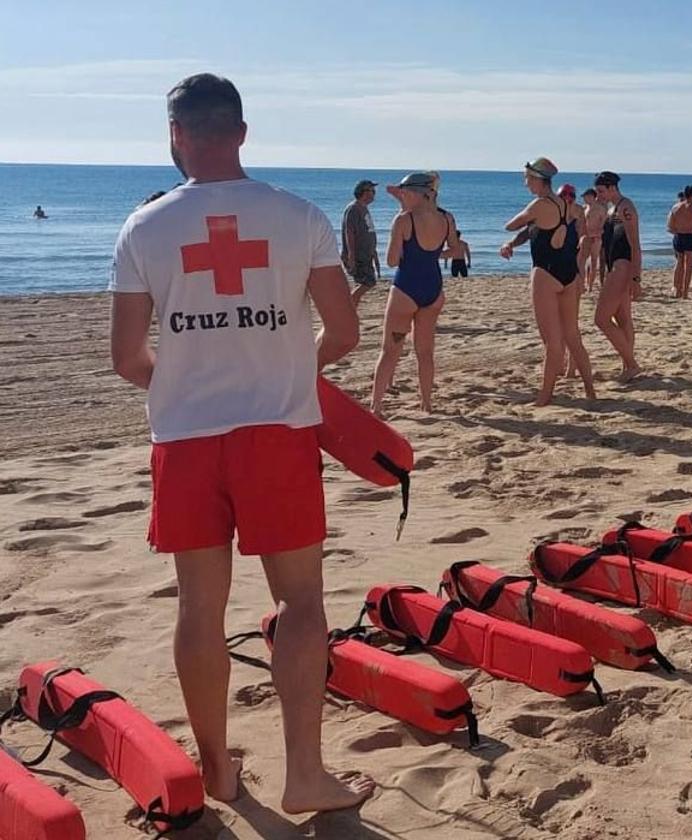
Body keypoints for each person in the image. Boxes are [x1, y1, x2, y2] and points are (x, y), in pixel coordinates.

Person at [108, 73, 370, 815]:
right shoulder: (299, 216)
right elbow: (345, 333)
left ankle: (218, 770)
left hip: (186, 439)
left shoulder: (144, 227)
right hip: (277, 434)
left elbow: (128, 359)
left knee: (199, 611)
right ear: (243, 132)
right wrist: (287, 367)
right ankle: (306, 775)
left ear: (176, 136)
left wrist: (188, 379)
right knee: (301, 602)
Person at [501, 158, 595, 405]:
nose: (525, 184)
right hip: (569, 273)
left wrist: (521, 222)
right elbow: (534, 231)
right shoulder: (567, 205)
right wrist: (512, 244)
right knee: (573, 337)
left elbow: (511, 224)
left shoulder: (539, 204)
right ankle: (590, 390)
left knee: (552, 342)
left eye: (527, 179)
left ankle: (544, 397)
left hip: (546, 274)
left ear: (537, 179)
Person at [371, 171, 458, 414]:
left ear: (417, 194)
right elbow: (457, 250)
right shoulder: (447, 218)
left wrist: (409, 252)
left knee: (390, 350)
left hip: (405, 290)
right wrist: (434, 255)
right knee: (425, 351)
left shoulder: (403, 220)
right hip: (433, 289)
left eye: (405, 192)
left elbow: (390, 261)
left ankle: (376, 405)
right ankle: (427, 403)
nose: (403, 196)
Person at [593, 171, 641, 381]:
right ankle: (628, 367)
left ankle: (631, 364)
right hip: (614, 265)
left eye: (601, 191)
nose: (599, 195)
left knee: (601, 319)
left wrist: (636, 279)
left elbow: (635, 245)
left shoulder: (625, 207)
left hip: (623, 266)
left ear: (612, 187)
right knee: (622, 319)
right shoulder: (611, 208)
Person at [341, 180, 381, 306]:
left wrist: (374, 253)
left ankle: (350, 309)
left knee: (367, 282)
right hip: (358, 255)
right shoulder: (353, 209)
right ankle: (347, 308)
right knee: (367, 282)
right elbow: (349, 233)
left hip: (366, 254)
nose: (374, 194)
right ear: (363, 192)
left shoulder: (364, 209)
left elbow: (368, 232)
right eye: (371, 191)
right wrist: (351, 256)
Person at [667, 185, 692, 299]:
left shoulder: (675, 208)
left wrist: (678, 231)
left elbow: (670, 226)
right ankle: (685, 292)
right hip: (690, 237)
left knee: (679, 263)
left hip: (679, 236)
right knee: (689, 266)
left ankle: (677, 290)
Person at [580, 188, 606, 291]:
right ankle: (583, 283)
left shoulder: (600, 209)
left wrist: (598, 235)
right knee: (583, 261)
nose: (584, 199)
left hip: (596, 237)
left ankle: (590, 285)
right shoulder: (584, 208)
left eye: (586, 197)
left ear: (591, 197)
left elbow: (603, 224)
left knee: (594, 261)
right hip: (586, 236)